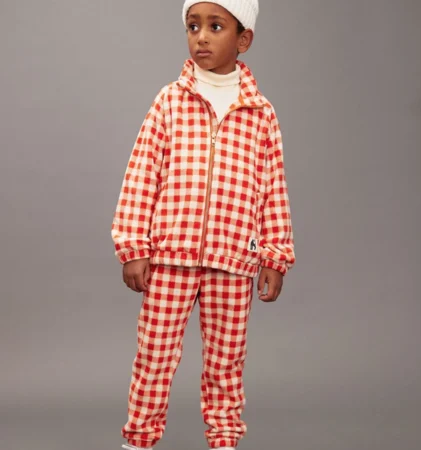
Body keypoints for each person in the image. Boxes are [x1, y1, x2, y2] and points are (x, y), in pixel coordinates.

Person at [111, 1, 295, 449]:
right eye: (193, 26)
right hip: (169, 257)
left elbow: (272, 187)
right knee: (154, 356)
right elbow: (141, 173)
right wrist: (133, 245)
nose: (202, 37)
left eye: (216, 26)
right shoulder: (170, 101)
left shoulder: (261, 113)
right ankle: (139, 440)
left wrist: (275, 255)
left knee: (226, 364)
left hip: (232, 260)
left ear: (243, 39)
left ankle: (225, 440)